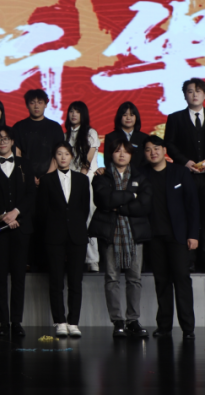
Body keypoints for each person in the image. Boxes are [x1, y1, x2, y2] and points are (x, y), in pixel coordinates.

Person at [164, 78, 205, 272]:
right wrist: (185, 162)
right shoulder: (175, 118)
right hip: (186, 176)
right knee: (187, 216)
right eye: (190, 91)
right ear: (185, 95)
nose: (194, 94)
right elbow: (169, 144)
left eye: (198, 91)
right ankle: (188, 260)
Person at [90, 140, 151, 338]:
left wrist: (119, 205)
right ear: (111, 155)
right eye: (117, 151)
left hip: (134, 234)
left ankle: (133, 320)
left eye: (126, 152)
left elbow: (144, 205)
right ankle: (117, 321)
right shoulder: (102, 176)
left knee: (134, 279)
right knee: (112, 278)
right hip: (110, 233)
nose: (122, 155)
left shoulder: (140, 177)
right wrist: (131, 195)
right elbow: (104, 200)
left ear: (131, 155)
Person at [0, 125, 34, 338]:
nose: (2, 142)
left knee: (19, 276)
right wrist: (5, 215)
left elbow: (31, 194)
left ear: (12, 141)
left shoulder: (25, 164)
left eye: (5, 138)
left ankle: (17, 321)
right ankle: (3, 322)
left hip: (21, 226)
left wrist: (16, 213)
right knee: (0, 276)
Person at [143, 135, 199, 340]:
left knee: (182, 280)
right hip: (154, 237)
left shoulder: (180, 172)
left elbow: (193, 205)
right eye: (148, 149)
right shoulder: (141, 174)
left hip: (178, 236)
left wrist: (193, 235)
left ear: (164, 150)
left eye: (156, 148)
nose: (153, 152)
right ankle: (164, 326)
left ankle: (188, 328)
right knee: (162, 282)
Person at [39, 141, 91, 338]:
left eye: (66, 154)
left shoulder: (82, 179)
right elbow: (42, 210)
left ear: (72, 157)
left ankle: (74, 322)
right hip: (54, 236)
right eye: (59, 154)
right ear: (55, 157)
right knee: (56, 282)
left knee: (76, 282)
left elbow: (84, 208)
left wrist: (75, 227)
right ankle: (60, 321)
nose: (63, 157)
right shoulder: (46, 180)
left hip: (77, 236)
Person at [65, 101, 101, 271]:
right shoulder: (65, 135)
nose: (74, 114)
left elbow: (88, 159)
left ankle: (92, 260)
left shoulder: (90, 133)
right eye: (71, 111)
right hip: (68, 180)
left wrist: (80, 177)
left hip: (86, 180)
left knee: (88, 218)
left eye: (77, 112)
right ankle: (74, 257)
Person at [11, 89, 65, 187]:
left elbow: (58, 154)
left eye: (40, 102)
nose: (36, 106)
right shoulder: (18, 127)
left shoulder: (55, 127)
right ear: (27, 105)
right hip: (25, 179)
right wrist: (27, 175)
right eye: (32, 103)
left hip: (51, 178)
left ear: (46, 104)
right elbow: (17, 154)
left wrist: (47, 176)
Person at [103, 102, 149, 170]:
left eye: (132, 115)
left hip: (140, 174)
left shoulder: (144, 138)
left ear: (136, 117)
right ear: (119, 117)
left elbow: (146, 160)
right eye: (125, 115)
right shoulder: (110, 137)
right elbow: (108, 161)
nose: (128, 118)